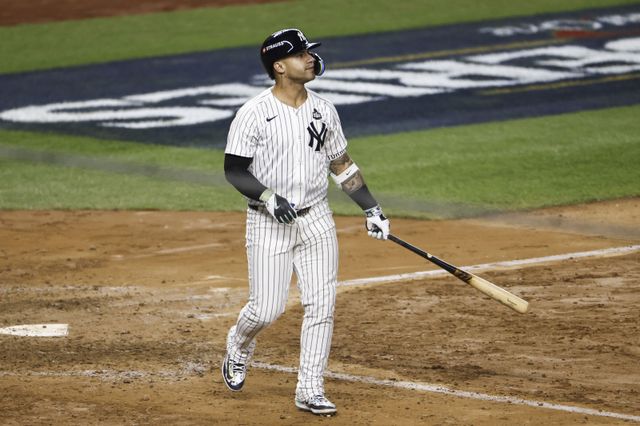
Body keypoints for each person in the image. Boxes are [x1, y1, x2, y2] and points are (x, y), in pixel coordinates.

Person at [221, 28, 390, 416]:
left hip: (317, 220)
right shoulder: (253, 113)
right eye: (300, 54)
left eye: (309, 53)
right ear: (279, 66)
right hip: (268, 223)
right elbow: (234, 170)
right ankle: (239, 344)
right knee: (266, 310)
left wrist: (372, 209)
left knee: (321, 306)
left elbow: (341, 165)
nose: (310, 58)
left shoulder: (324, 110)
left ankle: (310, 388)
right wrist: (269, 198)